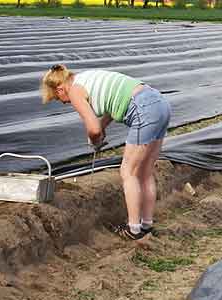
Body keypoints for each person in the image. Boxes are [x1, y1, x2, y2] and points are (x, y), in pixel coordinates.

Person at [41, 65, 171, 240]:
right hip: (159, 103)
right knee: (144, 172)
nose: (65, 102)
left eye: (58, 98)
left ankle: (133, 230)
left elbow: (93, 129)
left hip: (143, 108)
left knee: (128, 171)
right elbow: (112, 103)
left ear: (60, 88)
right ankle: (146, 225)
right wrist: (102, 127)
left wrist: (95, 140)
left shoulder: (74, 91)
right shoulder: (86, 78)